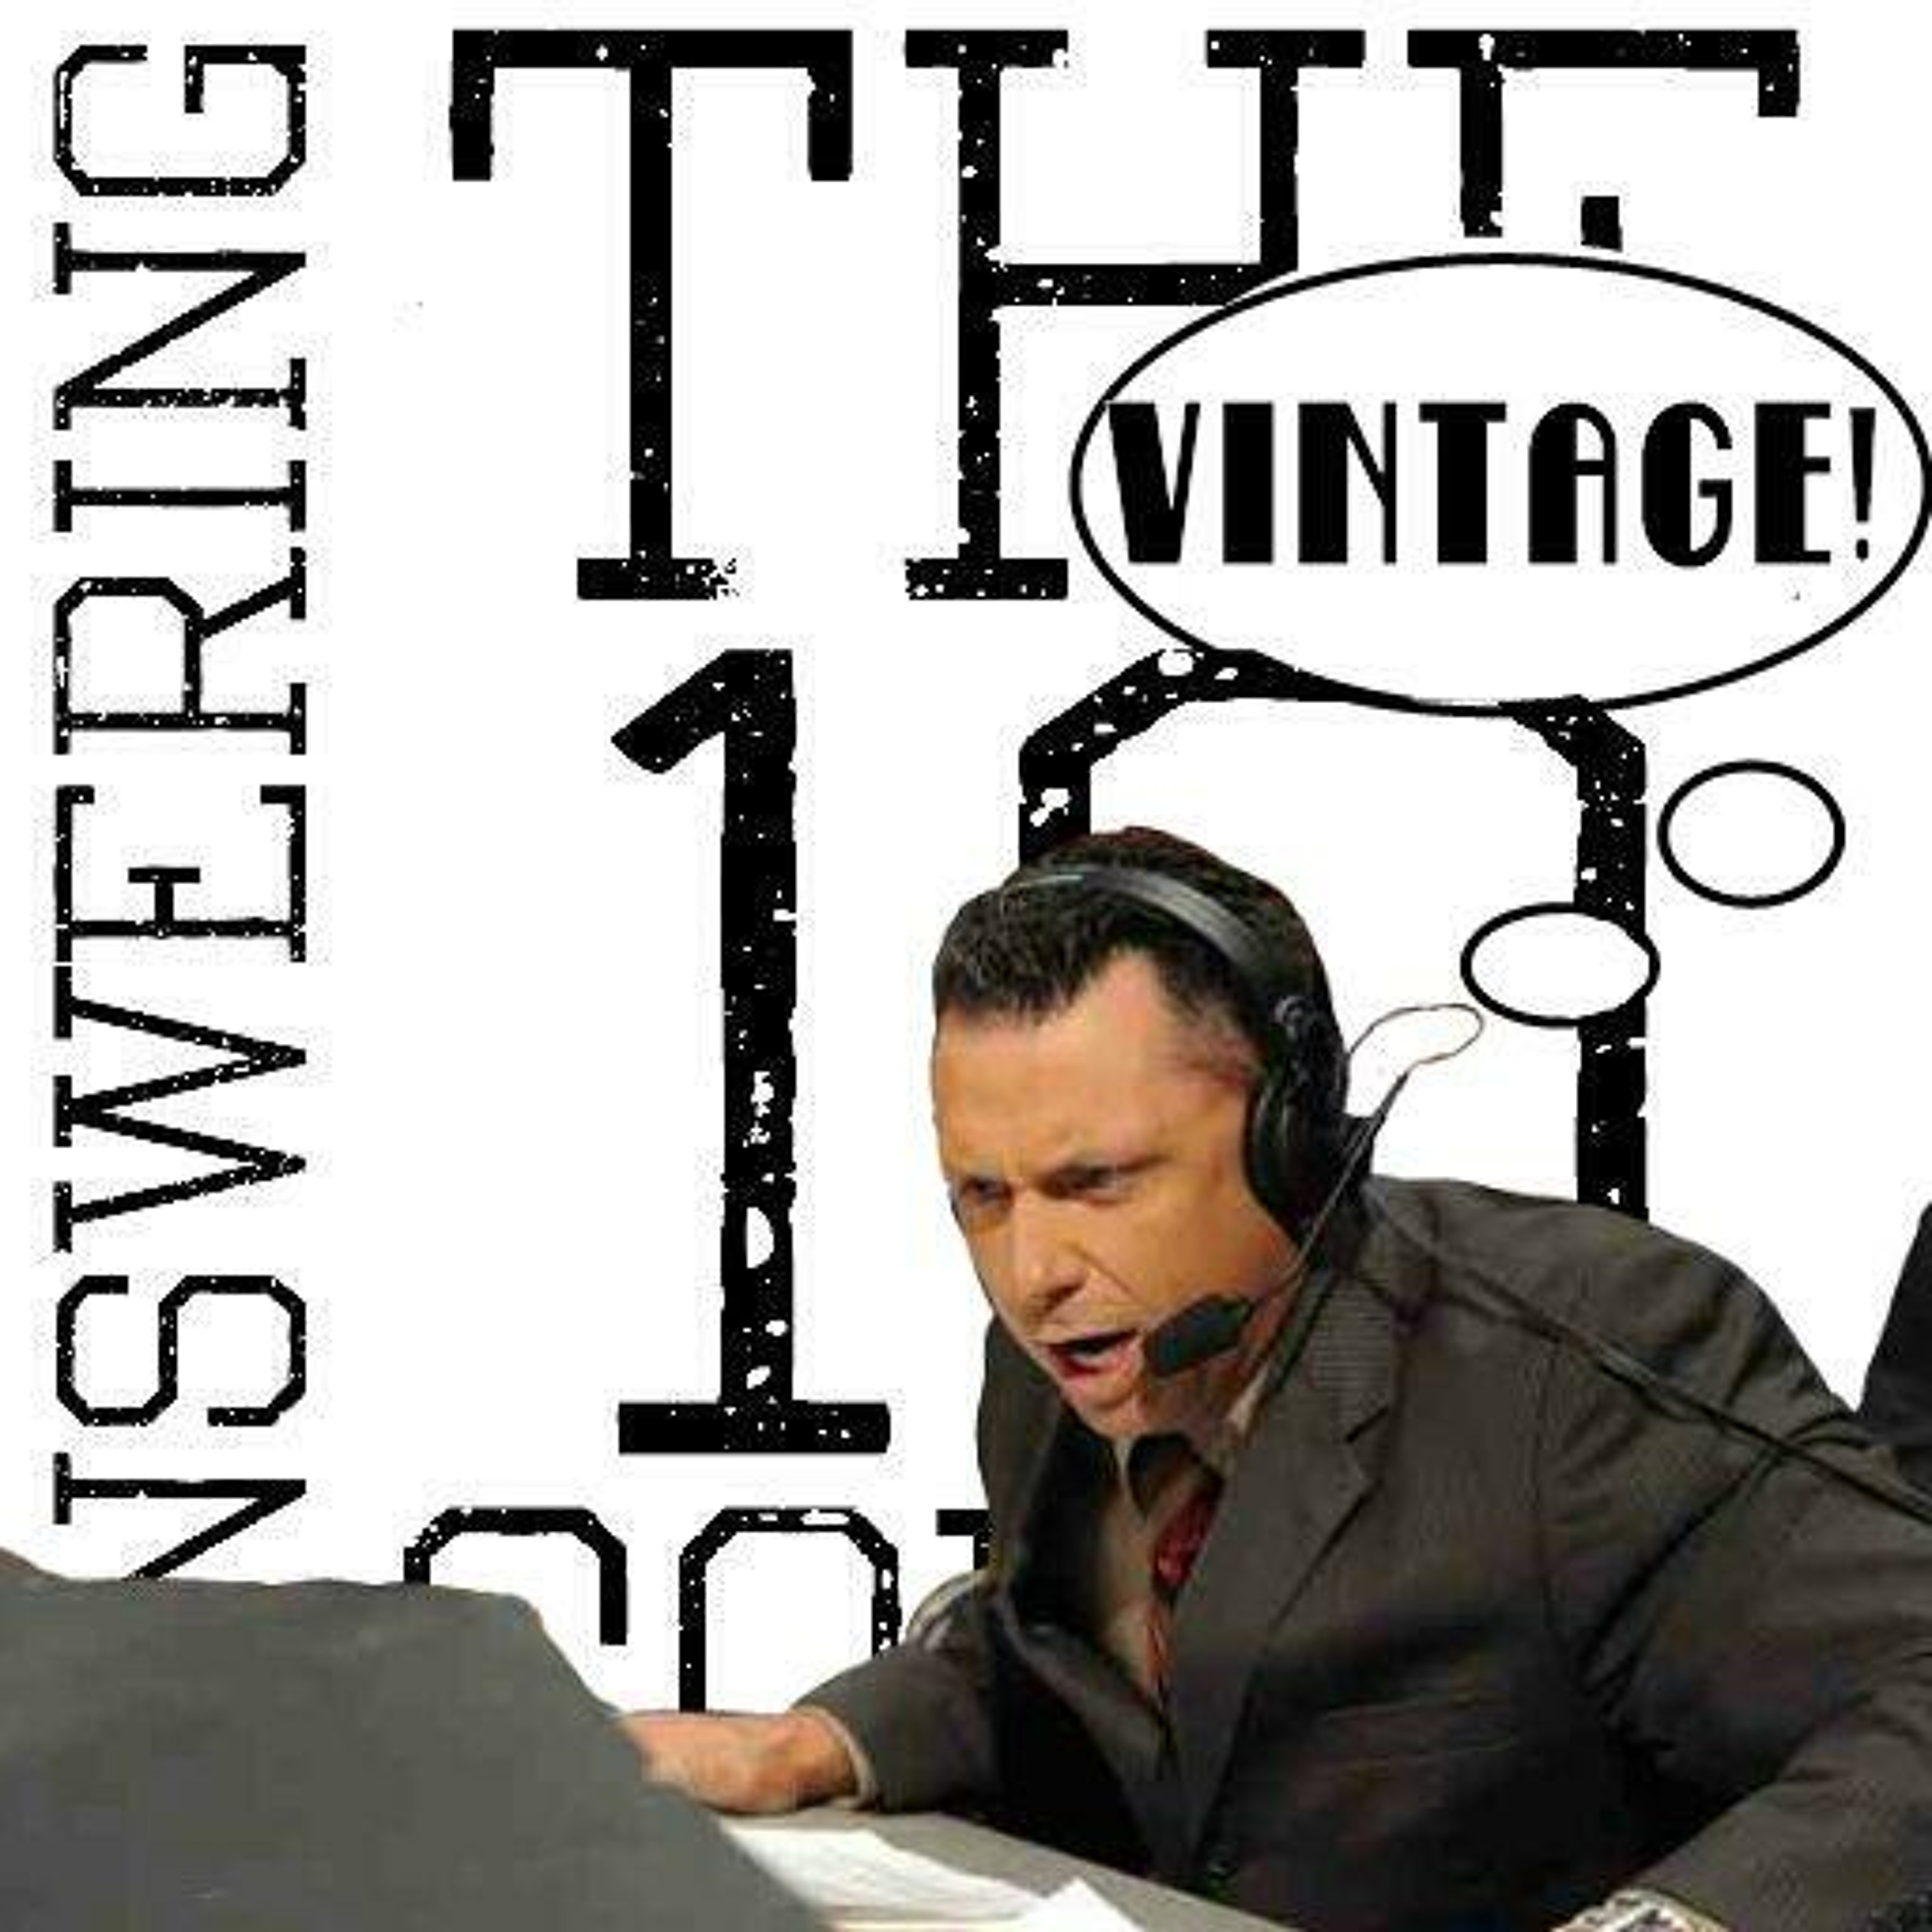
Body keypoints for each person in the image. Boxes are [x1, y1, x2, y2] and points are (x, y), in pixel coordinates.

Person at [626, 828, 1932, 1932]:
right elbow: (1072, 1663)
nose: (1033, 1273)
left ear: (1290, 1138)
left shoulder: (1585, 1358)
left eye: (1097, 1183)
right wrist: (813, 1746)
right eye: (983, 1196)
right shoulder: (1056, 1368)